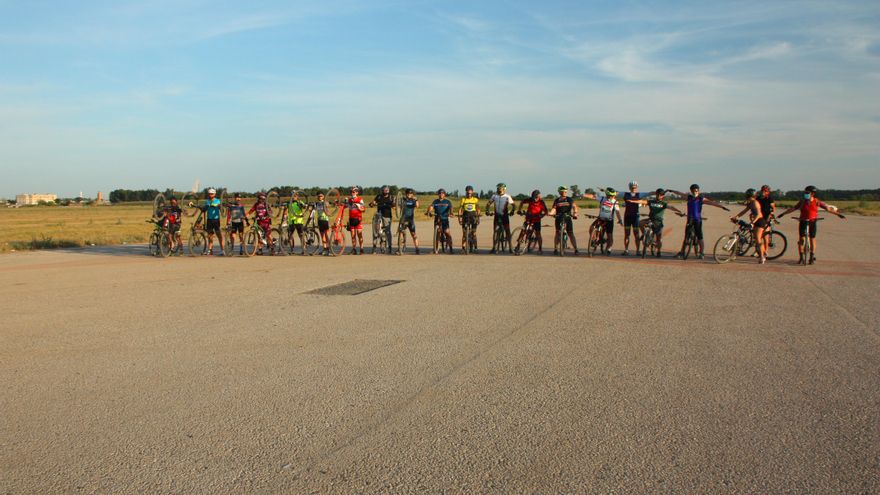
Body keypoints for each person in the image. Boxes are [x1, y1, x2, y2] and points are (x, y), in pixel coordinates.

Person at [777, 185, 846, 264]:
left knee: (812, 239)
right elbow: (793, 208)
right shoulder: (802, 201)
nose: (805, 194)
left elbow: (828, 209)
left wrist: (838, 214)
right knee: (801, 239)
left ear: (812, 193)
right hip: (803, 221)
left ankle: (811, 257)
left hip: (812, 221)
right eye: (805, 192)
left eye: (807, 192)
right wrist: (783, 214)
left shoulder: (817, 201)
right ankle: (801, 257)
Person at [669, 184, 730, 259]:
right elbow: (679, 193)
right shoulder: (689, 197)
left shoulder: (701, 198)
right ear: (691, 191)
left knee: (699, 236)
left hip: (697, 219)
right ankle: (682, 252)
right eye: (693, 191)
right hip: (690, 219)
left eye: (696, 191)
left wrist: (722, 207)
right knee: (686, 236)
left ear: (698, 191)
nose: (695, 192)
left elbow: (712, 203)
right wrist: (672, 191)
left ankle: (701, 252)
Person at [635, 189, 685, 257]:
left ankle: (659, 251)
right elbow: (643, 201)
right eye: (657, 194)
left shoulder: (663, 204)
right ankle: (645, 235)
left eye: (660, 195)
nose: (658, 196)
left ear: (662, 196)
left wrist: (679, 211)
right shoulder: (651, 201)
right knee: (640, 223)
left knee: (659, 238)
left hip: (658, 222)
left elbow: (671, 207)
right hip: (651, 219)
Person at [582, 187, 623, 255]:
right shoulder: (602, 199)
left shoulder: (615, 202)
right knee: (591, 228)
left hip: (609, 220)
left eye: (613, 196)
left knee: (609, 236)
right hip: (601, 218)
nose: (612, 197)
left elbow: (617, 212)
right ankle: (594, 239)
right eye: (611, 195)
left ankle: (609, 248)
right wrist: (583, 195)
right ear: (607, 195)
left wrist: (620, 220)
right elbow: (593, 196)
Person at [731, 188, 767, 264]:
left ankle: (762, 257)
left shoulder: (755, 203)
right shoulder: (750, 203)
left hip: (759, 221)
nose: (747, 197)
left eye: (748, 196)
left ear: (752, 196)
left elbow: (758, 214)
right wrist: (736, 216)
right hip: (754, 220)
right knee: (743, 233)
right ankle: (735, 252)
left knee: (758, 239)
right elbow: (744, 211)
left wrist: (752, 222)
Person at [548, 186, 579, 255]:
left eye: (565, 191)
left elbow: (574, 207)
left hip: (567, 217)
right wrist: (551, 213)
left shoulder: (569, 199)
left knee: (570, 233)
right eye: (562, 191)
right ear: (559, 192)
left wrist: (575, 213)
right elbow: (554, 208)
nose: (564, 193)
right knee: (557, 232)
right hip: (559, 217)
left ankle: (576, 249)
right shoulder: (557, 200)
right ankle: (555, 248)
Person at [622, 180, 651, 255]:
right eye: (632, 187)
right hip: (627, 217)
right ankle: (626, 250)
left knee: (636, 234)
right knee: (627, 234)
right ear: (629, 188)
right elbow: (616, 193)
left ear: (637, 187)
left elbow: (650, 193)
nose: (633, 189)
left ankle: (638, 250)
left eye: (635, 187)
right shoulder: (626, 194)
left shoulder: (639, 194)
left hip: (635, 217)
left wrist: (659, 193)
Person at [516, 189, 548, 254]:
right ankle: (518, 245)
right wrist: (519, 210)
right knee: (523, 231)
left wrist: (541, 215)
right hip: (529, 218)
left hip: (537, 219)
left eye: (536, 197)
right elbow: (522, 202)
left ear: (539, 196)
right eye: (533, 197)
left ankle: (540, 249)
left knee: (538, 234)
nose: (535, 199)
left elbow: (546, 211)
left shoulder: (541, 202)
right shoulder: (530, 199)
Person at [486, 182, 515, 253]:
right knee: (495, 232)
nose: (498, 189)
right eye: (498, 188)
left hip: (504, 216)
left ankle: (510, 247)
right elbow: (488, 204)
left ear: (504, 189)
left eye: (500, 188)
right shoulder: (494, 196)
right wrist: (487, 211)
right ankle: (494, 247)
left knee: (507, 231)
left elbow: (513, 205)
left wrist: (512, 211)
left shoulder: (507, 196)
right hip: (497, 216)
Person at [369, 185, 396, 254]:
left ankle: (390, 247)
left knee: (387, 232)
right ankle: (374, 248)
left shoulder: (391, 197)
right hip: (379, 215)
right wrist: (372, 204)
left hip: (387, 216)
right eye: (384, 190)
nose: (386, 191)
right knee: (375, 232)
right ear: (382, 190)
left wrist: (393, 204)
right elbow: (373, 202)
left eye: (387, 190)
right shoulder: (379, 196)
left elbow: (394, 205)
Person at [428, 188, 454, 253]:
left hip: (445, 219)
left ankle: (451, 248)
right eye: (439, 193)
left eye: (442, 193)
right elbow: (431, 207)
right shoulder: (435, 201)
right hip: (437, 218)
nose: (441, 194)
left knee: (447, 232)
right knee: (437, 233)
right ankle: (436, 249)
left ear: (444, 194)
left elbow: (451, 208)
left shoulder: (447, 202)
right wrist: (429, 212)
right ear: (438, 194)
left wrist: (451, 213)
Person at [458, 185, 481, 253]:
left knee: (474, 233)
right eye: (468, 193)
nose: (469, 194)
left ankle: (476, 248)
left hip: (473, 217)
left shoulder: (475, 199)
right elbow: (460, 209)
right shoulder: (463, 199)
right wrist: (459, 218)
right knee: (464, 234)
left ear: (472, 192)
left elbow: (478, 209)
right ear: (466, 192)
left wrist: (478, 217)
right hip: (465, 217)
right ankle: (463, 248)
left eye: (470, 193)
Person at [755, 185, 777, 257]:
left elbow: (773, 208)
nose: (763, 192)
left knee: (765, 235)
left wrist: (771, 214)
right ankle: (758, 251)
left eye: (765, 191)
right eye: (762, 190)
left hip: (767, 217)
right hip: (759, 217)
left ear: (768, 192)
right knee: (758, 235)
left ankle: (766, 251)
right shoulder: (758, 198)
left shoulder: (769, 199)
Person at [203, 188, 225, 255]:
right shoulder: (207, 201)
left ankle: (222, 250)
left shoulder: (218, 201)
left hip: (216, 219)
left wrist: (219, 206)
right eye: (209, 194)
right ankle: (210, 250)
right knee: (210, 235)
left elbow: (222, 210)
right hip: (209, 219)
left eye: (212, 194)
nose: (210, 195)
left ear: (214, 194)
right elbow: (205, 209)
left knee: (219, 235)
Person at [285, 191, 307, 255]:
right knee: (290, 236)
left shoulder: (299, 202)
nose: (294, 197)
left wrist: (303, 206)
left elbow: (304, 207)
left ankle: (304, 249)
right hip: (291, 221)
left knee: (301, 235)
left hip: (298, 221)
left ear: (297, 196)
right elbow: (286, 211)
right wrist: (285, 217)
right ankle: (292, 250)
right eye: (293, 196)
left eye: (295, 196)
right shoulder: (288, 203)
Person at [399, 188, 420, 254]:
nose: (409, 194)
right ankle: (400, 248)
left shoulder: (413, 200)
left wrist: (416, 199)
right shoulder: (402, 199)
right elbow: (396, 205)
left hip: (410, 219)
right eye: (407, 193)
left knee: (413, 234)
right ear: (406, 194)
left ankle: (417, 248)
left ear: (412, 194)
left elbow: (417, 206)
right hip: (403, 219)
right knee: (401, 233)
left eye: (410, 193)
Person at [347, 186, 366, 255]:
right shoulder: (349, 200)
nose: (352, 193)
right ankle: (354, 249)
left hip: (358, 219)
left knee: (359, 234)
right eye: (351, 192)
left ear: (357, 192)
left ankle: (361, 249)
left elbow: (363, 210)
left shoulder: (360, 200)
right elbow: (345, 206)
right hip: (351, 219)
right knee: (353, 235)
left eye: (353, 192)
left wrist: (359, 208)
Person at [311, 191, 331, 256]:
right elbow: (313, 210)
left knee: (326, 235)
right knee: (322, 235)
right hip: (319, 220)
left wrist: (326, 207)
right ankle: (324, 248)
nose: (320, 197)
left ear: (323, 196)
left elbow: (328, 208)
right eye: (319, 196)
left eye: (321, 196)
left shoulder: (325, 202)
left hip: (325, 220)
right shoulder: (317, 203)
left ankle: (328, 248)